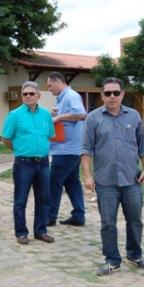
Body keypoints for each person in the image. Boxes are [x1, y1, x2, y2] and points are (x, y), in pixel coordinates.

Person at [81, 77, 144, 276]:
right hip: (105, 181)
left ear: (122, 94)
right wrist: (87, 176)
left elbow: (143, 147)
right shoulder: (93, 118)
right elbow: (86, 151)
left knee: (135, 220)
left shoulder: (134, 116)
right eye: (107, 93)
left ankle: (135, 254)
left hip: (132, 180)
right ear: (102, 95)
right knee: (108, 223)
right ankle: (112, 260)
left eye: (116, 92)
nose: (112, 96)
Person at [2, 81, 55, 245]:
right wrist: (20, 150)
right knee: (20, 200)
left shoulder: (46, 115)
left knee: (44, 199)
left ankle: (40, 231)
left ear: (38, 95)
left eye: (32, 93)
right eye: (25, 94)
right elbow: (6, 138)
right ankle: (21, 232)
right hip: (24, 163)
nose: (28, 96)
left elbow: (50, 135)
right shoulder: (14, 115)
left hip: (43, 163)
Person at [46, 72, 87, 227]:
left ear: (58, 82)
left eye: (50, 85)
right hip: (69, 148)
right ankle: (78, 215)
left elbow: (80, 114)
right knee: (72, 183)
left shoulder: (71, 95)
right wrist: (56, 114)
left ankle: (50, 216)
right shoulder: (62, 98)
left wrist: (59, 117)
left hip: (66, 150)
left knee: (54, 183)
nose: (49, 89)